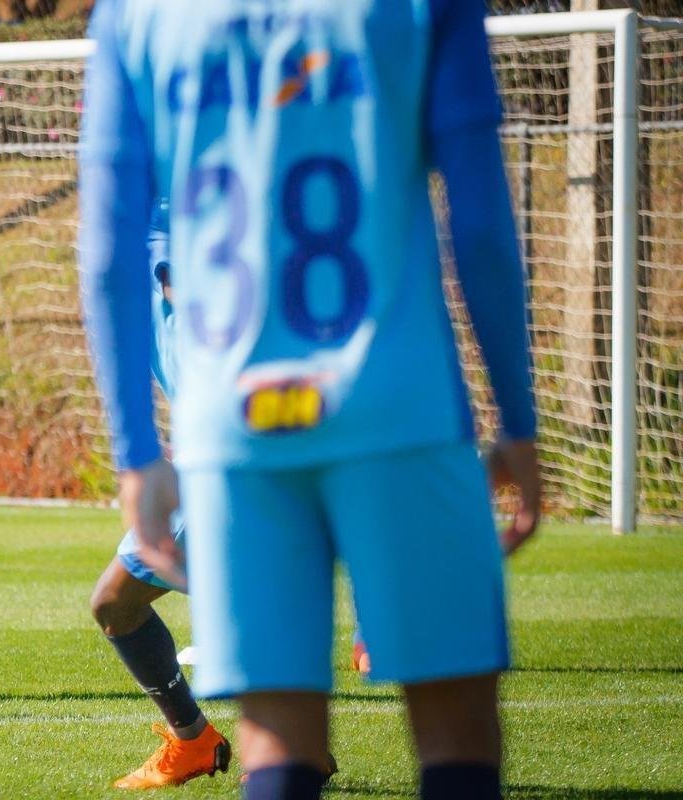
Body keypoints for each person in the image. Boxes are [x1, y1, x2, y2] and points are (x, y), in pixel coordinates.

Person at [78, 2, 542, 799]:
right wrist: (518, 421)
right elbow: (480, 222)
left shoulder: (135, 15)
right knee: (458, 739)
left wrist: (135, 456)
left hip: (237, 430)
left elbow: (105, 255)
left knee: (281, 752)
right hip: (397, 402)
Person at [89, 198, 232, 789]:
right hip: (222, 449)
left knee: (115, 604)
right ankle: (205, 739)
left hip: (225, 457)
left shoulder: (166, 226)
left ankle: (204, 740)